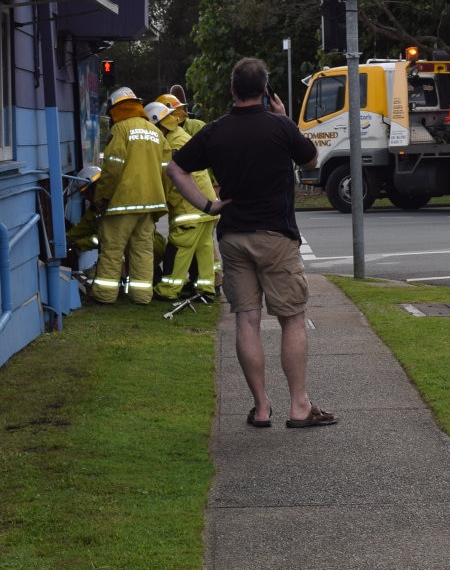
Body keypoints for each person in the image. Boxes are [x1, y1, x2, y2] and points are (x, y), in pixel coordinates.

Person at [166, 58, 337, 429]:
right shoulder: (279, 126)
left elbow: (176, 168)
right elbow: (310, 159)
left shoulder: (215, 131)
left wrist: (208, 205)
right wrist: (286, 119)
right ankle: (299, 406)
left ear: (232, 89)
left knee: (247, 319)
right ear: (264, 90)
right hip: (276, 235)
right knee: (292, 318)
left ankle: (261, 409)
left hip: (233, 236)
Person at [91, 87, 168, 304]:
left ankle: (105, 296)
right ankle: (142, 296)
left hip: (122, 203)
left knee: (112, 249)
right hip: (150, 203)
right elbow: (166, 171)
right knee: (143, 250)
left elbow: (113, 168)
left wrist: (102, 197)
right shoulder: (155, 133)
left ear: (116, 108)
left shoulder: (121, 130)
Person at [144, 99, 219, 300]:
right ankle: (206, 290)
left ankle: (168, 290)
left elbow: (164, 177)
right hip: (206, 205)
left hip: (189, 209)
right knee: (204, 250)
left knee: (178, 250)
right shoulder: (181, 136)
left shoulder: (169, 144)